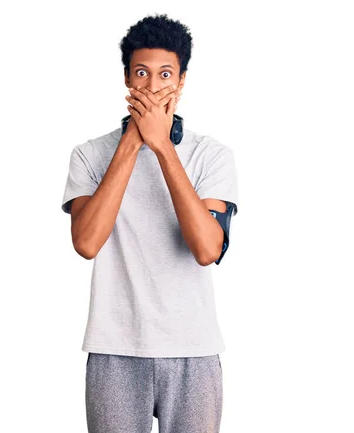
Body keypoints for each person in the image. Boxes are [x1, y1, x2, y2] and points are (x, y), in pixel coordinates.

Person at [61, 13, 238, 433]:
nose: (153, 86)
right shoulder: (88, 155)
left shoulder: (212, 156)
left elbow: (208, 249)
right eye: (142, 73)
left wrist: (162, 147)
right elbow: (86, 242)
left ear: (180, 81)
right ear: (127, 79)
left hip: (194, 350)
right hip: (114, 349)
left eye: (165, 74)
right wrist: (133, 142)